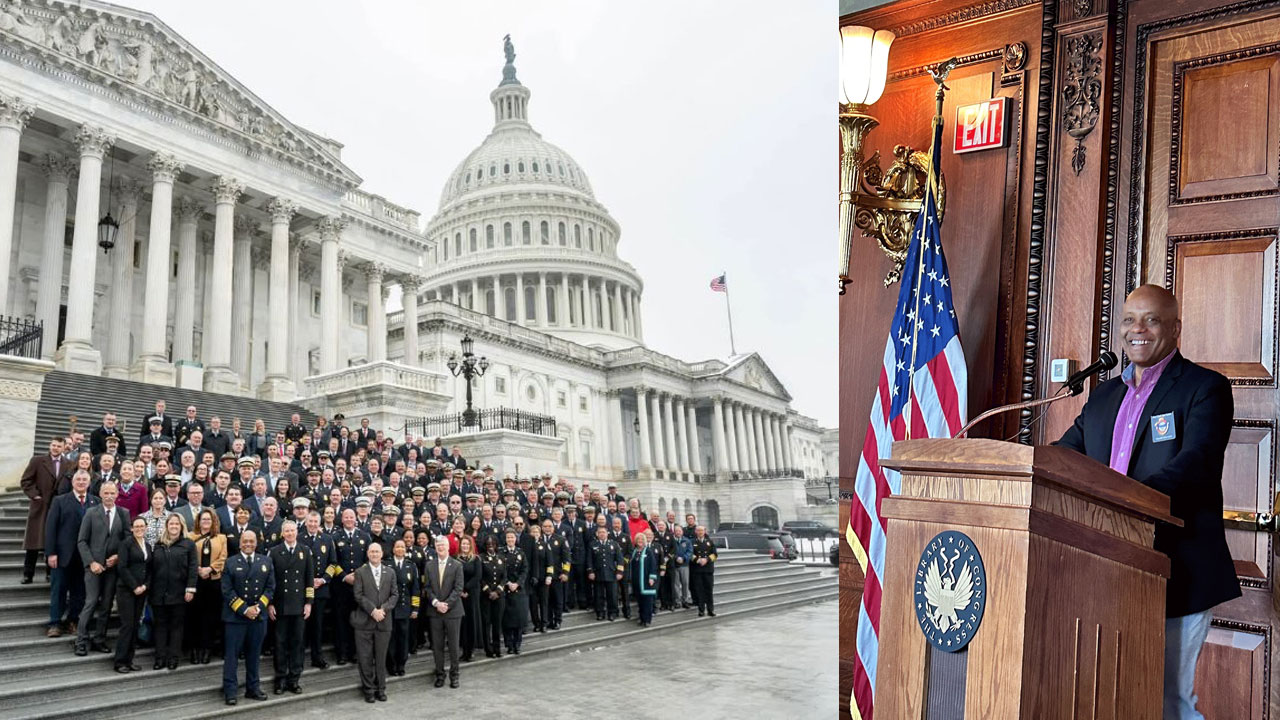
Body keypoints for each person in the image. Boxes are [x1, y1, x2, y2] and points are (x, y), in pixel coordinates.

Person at [1055, 284, 1241, 719]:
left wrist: (1126, 501)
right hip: (1102, 568)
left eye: (1151, 320)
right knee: (1110, 694)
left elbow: (1196, 464)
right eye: (1128, 320)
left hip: (1178, 569)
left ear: (1175, 329)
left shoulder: (1205, 388)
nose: (1136, 329)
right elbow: (1065, 457)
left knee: (1170, 701)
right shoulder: (1103, 396)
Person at [75, 481, 129, 656]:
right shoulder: (91, 513)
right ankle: (81, 641)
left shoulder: (123, 513)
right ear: (100, 494)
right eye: (106, 493)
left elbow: (127, 540)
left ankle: (99, 639)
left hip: (112, 568)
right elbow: (82, 541)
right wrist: (91, 562)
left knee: (106, 605)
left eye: (112, 493)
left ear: (117, 494)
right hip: (94, 567)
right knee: (91, 603)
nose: (109, 496)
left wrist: (119, 556)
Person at [222, 529, 273, 705]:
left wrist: (258, 608)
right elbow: (227, 591)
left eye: (251, 541)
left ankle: (253, 688)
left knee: (254, 655)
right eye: (245, 541)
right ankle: (230, 691)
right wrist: (245, 609)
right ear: (240, 543)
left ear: (256, 543)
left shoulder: (266, 561)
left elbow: (270, 588)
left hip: (258, 617)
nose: (248, 544)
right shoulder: (230, 562)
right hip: (235, 618)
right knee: (232, 656)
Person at [45, 469, 96, 638]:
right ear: (73, 482)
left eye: (84, 480)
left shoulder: (95, 502)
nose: (81, 482)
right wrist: (51, 553)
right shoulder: (59, 501)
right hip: (62, 555)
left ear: (89, 483)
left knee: (79, 591)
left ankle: (73, 620)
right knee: (58, 590)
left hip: (84, 556)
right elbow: (50, 528)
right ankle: (54, 623)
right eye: (78, 479)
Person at [268, 519, 313, 695]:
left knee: (298, 643)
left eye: (292, 530)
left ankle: (294, 679)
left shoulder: (305, 551)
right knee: (280, 643)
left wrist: (308, 603)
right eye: (286, 531)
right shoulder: (274, 552)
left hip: (299, 605)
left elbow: (309, 579)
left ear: (297, 532)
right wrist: (270, 603)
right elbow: (270, 581)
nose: (290, 533)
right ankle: (280, 678)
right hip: (280, 605)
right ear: (282, 533)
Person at [150, 514, 197, 670]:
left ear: (181, 526)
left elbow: (193, 567)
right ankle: (160, 658)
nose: (174, 526)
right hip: (159, 593)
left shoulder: (188, 544)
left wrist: (190, 588)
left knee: (176, 626)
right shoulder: (158, 544)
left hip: (179, 592)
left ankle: (173, 657)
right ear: (167, 525)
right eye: (171, 523)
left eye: (177, 524)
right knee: (160, 626)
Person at [352, 543, 396, 703]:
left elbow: (395, 595)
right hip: (364, 622)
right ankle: (369, 690)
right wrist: (373, 611)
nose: (375, 554)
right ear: (368, 554)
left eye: (377, 551)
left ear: (382, 554)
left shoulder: (390, 572)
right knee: (365, 658)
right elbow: (358, 595)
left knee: (381, 658)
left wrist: (383, 609)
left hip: (384, 621)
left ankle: (381, 689)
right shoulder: (360, 572)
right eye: (372, 552)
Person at [20, 437, 63, 584]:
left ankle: (50, 573)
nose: (55, 448)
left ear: (63, 448)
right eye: (54, 445)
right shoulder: (37, 461)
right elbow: (26, 481)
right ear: (50, 446)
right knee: (34, 541)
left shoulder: (68, 464)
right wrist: (35, 495)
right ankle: (28, 574)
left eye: (59, 446)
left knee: (52, 539)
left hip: (57, 507)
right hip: (40, 506)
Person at [424, 535, 464, 689]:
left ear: (448, 547)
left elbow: (458, 588)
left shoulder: (457, 565)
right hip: (435, 611)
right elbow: (427, 587)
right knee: (437, 646)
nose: (440, 547)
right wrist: (436, 603)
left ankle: (455, 675)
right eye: (438, 545)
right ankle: (440, 675)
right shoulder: (429, 565)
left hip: (452, 611)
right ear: (435, 547)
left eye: (443, 545)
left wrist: (447, 604)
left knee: (453, 646)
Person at [298, 510, 336, 668]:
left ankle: (317, 657)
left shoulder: (327, 539)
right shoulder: (298, 538)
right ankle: (298, 659)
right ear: (306, 522)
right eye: (310, 521)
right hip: (302, 589)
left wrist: (323, 579)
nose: (313, 524)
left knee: (318, 625)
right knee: (301, 625)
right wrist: (307, 581)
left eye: (315, 522)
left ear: (319, 523)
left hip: (320, 588)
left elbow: (333, 564)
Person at [332, 508, 371, 665]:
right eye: (346, 517)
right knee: (340, 620)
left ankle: (355, 652)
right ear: (342, 519)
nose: (349, 519)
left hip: (360, 586)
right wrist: (344, 576)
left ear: (356, 519)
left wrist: (358, 576)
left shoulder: (365, 536)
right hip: (341, 586)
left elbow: (369, 559)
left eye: (351, 517)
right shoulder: (335, 537)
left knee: (358, 620)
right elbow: (333, 561)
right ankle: (342, 653)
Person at [189, 508, 226, 664]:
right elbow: (188, 556)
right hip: (196, 581)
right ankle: (194, 649)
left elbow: (223, 558)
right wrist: (198, 569)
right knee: (194, 616)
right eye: (203, 519)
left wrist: (210, 569)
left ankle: (207, 649)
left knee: (210, 617)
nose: (206, 522)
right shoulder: (190, 536)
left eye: (208, 519)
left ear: (213, 522)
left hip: (213, 581)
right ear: (199, 521)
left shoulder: (221, 538)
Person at [113, 517, 150, 673]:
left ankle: (129, 660)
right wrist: (134, 586)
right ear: (132, 528)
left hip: (141, 591)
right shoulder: (126, 544)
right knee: (127, 625)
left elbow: (150, 568)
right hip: (126, 590)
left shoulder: (147, 545)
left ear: (146, 528)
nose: (139, 529)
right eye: (136, 526)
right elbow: (122, 567)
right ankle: (120, 661)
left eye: (142, 526)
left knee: (135, 625)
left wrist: (145, 586)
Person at [386, 538, 420, 677]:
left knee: (403, 637)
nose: (400, 549)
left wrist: (415, 608)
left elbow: (415, 589)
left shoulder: (411, 566)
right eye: (397, 547)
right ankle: (391, 664)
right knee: (391, 637)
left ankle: (401, 664)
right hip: (390, 607)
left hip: (405, 608)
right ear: (393, 549)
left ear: (405, 550)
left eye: (402, 547)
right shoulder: (386, 564)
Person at [500, 528, 528, 654]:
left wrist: (517, 584)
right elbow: (500, 570)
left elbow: (525, 570)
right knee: (507, 620)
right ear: (505, 539)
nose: (510, 539)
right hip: (506, 589)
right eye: (508, 537)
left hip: (518, 590)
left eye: (512, 537)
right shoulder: (501, 552)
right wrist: (508, 583)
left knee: (519, 619)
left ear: (516, 539)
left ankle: (517, 644)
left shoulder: (520, 552)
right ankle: (509, 645)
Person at [587, 525, 622, 622]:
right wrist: (590, 571)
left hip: (611, 573)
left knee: (612, 595)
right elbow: (589, 560)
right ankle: (600, 613)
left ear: (607, 533)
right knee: (598, 595)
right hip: (598, 573)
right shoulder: (592, 544)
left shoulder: (614, 544)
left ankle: (612, 613)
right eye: (600, 532)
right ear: (597, 534)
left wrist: (619, 572)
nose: (602, 534)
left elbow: (620, 559)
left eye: (603, 532)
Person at [456, 535, 482, 661]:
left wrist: (466, 589)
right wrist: (461, 590)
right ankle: (464, 649)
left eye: (467, 544)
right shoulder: (455, 559)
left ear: (471, 545)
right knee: (462, 622)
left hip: (472, 593)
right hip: (459, 594)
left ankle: (471, 650)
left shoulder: (476, 559)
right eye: (463, 544)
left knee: (471, 621)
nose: (465, 546)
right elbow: (454, 576)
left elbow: (478, 576)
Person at [479, 536, 506, 658]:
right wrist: (489, 591)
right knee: (486, 623)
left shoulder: (501, 557)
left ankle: (497, 648)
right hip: (486, 596)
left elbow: (504, 577)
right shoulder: (481, 558)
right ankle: (488, 649)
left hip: (499, 596)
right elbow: (480, 577)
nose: (490, 546)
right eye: (488, 544)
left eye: (493, 544)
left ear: (496, 545)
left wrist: (498, 591)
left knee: (497, 622)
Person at [631, 531, 659, 627]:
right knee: (640, 601)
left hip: (647, 581)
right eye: (638, 539)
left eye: (642, 539)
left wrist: (652, 577)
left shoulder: (648, 551)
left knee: (647, 601)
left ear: (645, 540)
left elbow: (653, 565)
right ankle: (642, 618)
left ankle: (647, 620)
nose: (640, 541)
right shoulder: (634, 551)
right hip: (637, 581)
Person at [689, 525, 717, 617]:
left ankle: (710, 610)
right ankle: (701, 610)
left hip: (708, 570)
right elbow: (690, 554)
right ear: (695, 532)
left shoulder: (710, 541)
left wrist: (707, 560)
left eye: (702, 530)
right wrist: (698, 560)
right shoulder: (692, 542)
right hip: (697, 570)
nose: (700, 532)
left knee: (709, 590)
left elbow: (715, 554)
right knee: (699, 591)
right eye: (698, 530)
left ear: (705, 531)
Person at [671, 524, 693, 609]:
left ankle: (685, 600)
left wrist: (683, 558)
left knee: (685, 583)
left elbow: (690, 552)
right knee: (676, 584)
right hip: (675, 565)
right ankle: (677, 601)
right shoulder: (671, 540)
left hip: (684, 565)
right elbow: (670, 551)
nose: (678, 532)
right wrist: (676, 558)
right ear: (674, 532)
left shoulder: (687, 541)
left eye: (679, 531)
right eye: (676, 531)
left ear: (682, 532)